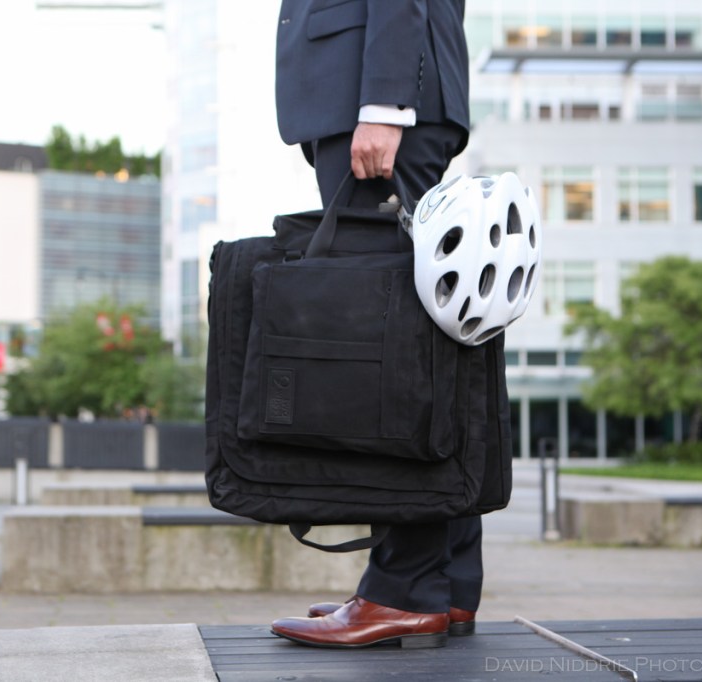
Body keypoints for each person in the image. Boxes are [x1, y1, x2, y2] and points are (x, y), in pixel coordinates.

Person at [269, 0, 482, 650]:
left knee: (388, 357)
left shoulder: (385, 108)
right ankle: (442, 585)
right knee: (420, 347)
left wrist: (384, 104)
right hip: (384, 91)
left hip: (385, 97)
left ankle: (405, 589)